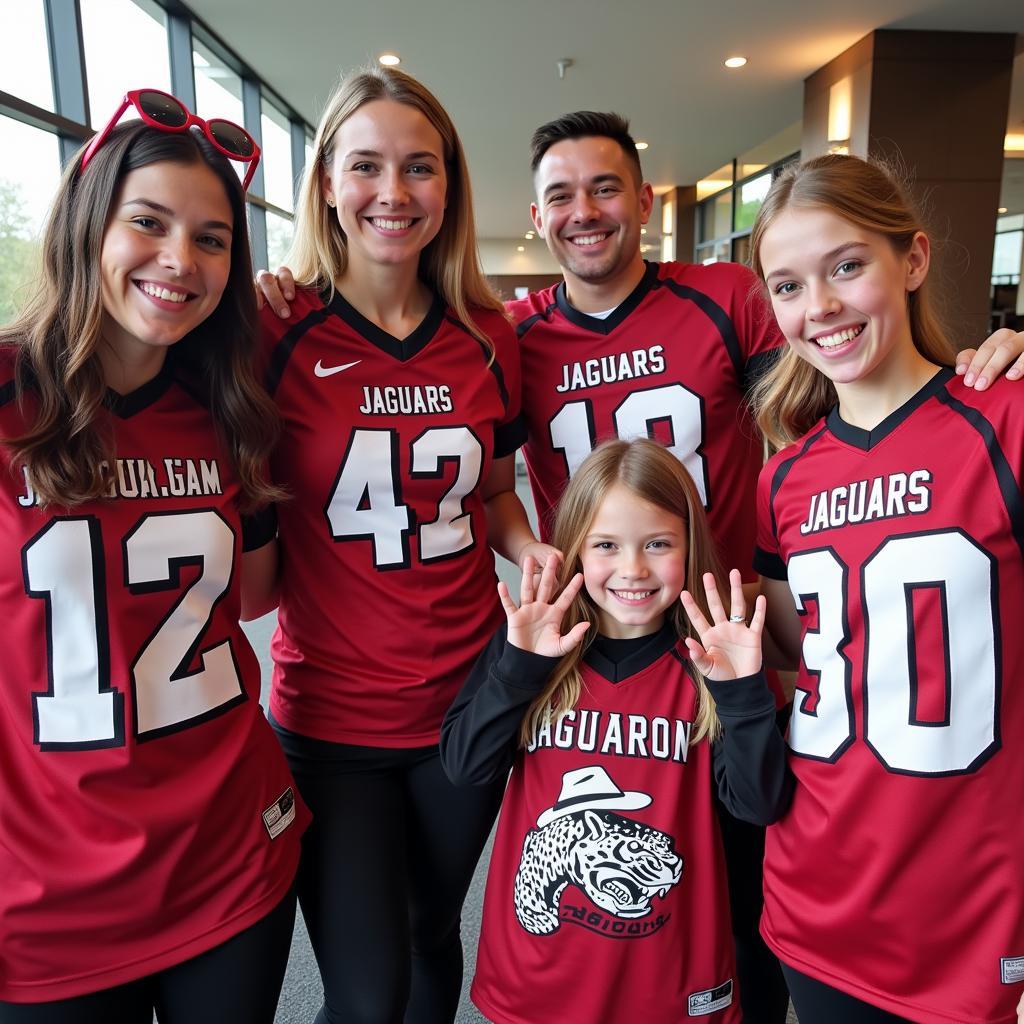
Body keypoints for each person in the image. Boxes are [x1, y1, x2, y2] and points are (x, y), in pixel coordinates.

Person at [256, 109, 1024, 1022]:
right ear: (535, 221)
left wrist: (977, 361)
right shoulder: (510, 332)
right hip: (581, 643)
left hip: (722, 648)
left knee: (739, 906)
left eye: (606, 186)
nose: (585, 211)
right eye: (560, 196)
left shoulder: (730, 298)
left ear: (647, 201)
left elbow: (849, 362)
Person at [248, 66, 551, 1024]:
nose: (394, 192)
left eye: (419, 167)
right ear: (329, 185)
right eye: (367, 166)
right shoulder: (271, 327)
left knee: (430, 939)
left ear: (449, 187)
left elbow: (495, 489)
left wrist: (526, 545)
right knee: (365, 990)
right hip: (331, 718)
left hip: (466, 706)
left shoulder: (489, 335)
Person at [0, 90, 307, 1023]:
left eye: (213, 239)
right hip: (47, 895)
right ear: (89, 223)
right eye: (150, 222)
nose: (181, 260)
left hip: (229, 855)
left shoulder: (231, 410)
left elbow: (255, 596)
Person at [751, 153, 1024, 1024]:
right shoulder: (783, 479)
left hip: (975, 918)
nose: (819, 307)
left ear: (911, 260)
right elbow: (813, 661)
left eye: (846, 266)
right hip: (816, 900)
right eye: (787, 285)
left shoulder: (1007, 422)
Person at [441, 437, 791, 1024]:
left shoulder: (712, 663)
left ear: (690, 547)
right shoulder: (533, 647)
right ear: (577, 549)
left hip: (674, 983)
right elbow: (464, 767)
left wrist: (743, 695)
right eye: (607, 545)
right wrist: (517, 671)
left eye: (658, 544)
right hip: (537, 977)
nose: (633, 568)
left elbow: (760, 805)